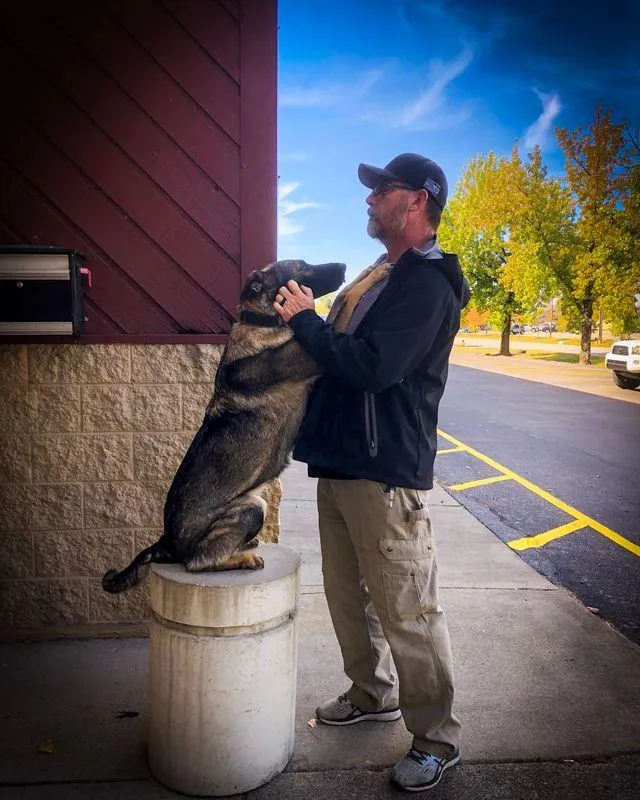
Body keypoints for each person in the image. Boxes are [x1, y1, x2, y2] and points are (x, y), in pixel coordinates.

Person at [273, 153, 470, 793]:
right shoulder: (382, 273)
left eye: (379, 189)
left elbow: (375, 366)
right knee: (345, 593)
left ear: (416, 201)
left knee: (408, 608)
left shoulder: (428, 284)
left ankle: (438, 739)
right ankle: (371, 690)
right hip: (344, 461)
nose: (368, 199)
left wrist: (304, 318)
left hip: (385, 470)